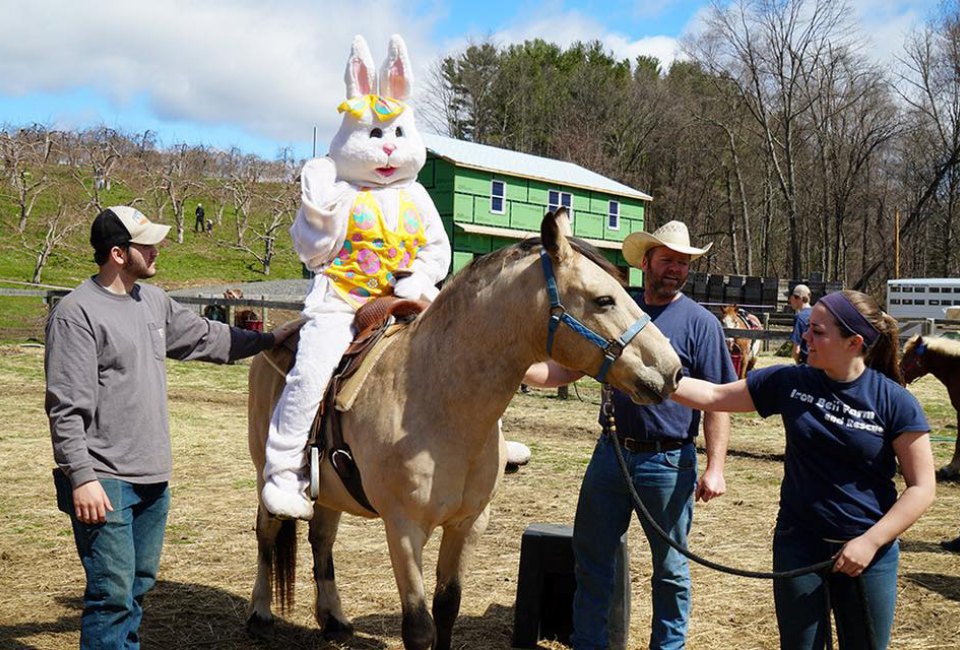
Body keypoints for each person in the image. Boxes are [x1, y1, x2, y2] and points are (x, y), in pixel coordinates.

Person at [45, 205, 299, 650]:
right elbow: (66, 408)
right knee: (111, 597)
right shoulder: (77, 313)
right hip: (104, 481)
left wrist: (269, 339)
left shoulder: (153, 302)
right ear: (119, 254)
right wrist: (81, 478)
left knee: (137, 588)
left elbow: (208, 337)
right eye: (147, 244)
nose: (157, 248)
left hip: (152, 478)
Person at [671, 289, 936, 650]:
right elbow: (714, 396)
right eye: (807, 328)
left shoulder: (895, 402)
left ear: (853, 342)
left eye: (817, 332)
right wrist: (644, 372)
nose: (804, 338)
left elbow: (922, 488)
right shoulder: (791, 382)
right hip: (799, 544)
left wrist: (870, 542)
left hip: (868, 554)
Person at [527, 220, 737, 650]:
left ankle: (668, 647)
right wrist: (520, 368)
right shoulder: (618, 308)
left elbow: (716, 402)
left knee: (671, 569)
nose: (675, 269)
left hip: (669, 462)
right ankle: (589, 644)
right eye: (667, 260)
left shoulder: (702, 325)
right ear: (646, 262)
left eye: (683, 262)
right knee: (592, 563)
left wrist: (716, 467)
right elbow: (568, 369)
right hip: (611, 456)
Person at [786, 283, 812, 364]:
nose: (790, 301)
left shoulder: (799, 317)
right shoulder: (817, 313)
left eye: (791, 298)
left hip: (805, 363)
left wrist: (798, 363)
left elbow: (796, 350)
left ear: (799, 298)